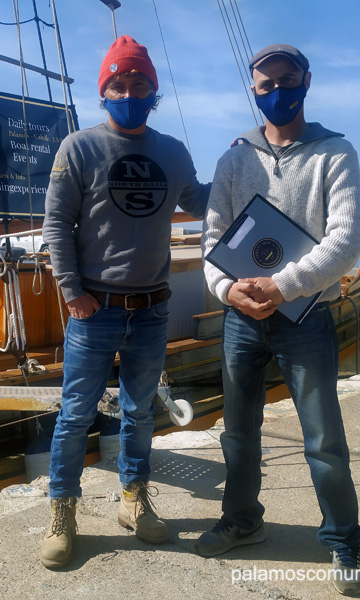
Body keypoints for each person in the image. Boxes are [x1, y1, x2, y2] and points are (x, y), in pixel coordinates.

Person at [198, 43, 360, 596]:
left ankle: (343, 540)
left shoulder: (335, 152)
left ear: (307, 81)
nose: (276, 92)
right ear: (253, 89)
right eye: (265, 85)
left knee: (323, 438)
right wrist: (229, 290)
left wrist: (282, 285)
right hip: (242, 319)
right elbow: (212, 240)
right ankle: (242, 520)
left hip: (307, 316)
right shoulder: (232, 159)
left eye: (286, 80)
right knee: (238, 434)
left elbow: (346, 241)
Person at [40, 35, 210, 569]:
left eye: (139, 83)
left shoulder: (173, 152)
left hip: (154, 309)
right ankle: (62, 511)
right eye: (118, 83)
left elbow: (201, 200)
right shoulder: (78, 148)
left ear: (153, 91)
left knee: (138, 415)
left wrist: (240, 169)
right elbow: (56, 226)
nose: (128, 91)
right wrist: (73, 293)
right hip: (97, 309)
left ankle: (134, 501)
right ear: (103, 92)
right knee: (74, 416)